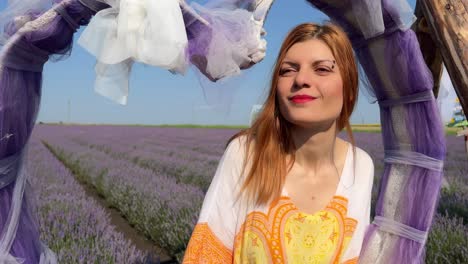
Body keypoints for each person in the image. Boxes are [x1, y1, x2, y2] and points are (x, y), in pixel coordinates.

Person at [182, 22, 375, 264]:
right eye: (288, 70)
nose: (301, 79)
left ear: (349, 88)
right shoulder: (245, 155)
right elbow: (207, 256)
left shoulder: (361, 166)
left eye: (322, 69)